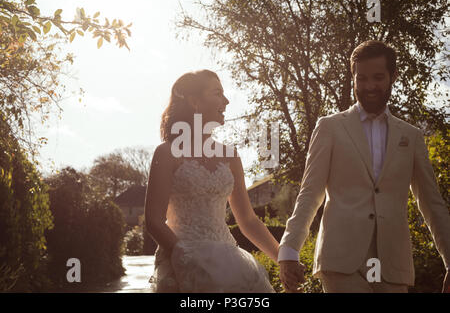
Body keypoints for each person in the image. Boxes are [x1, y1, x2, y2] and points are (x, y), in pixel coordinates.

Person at [278, 40, 450, 293]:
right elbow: (310, 192)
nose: (369, 86)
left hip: (393, 265)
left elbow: (431, 203)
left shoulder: (411, 136)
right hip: (340, 262)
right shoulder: (330, 127)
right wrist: (289, 249)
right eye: (362, 78)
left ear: (393, 76)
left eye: (378, 77)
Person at [145, 69, 279, 292]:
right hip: (181, 264)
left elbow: (247, 219)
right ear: (194, 101)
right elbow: (153, 221)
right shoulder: (167, 153)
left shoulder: (230, 156)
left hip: (229, 264)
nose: (226, 101)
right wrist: (185, 258)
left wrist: (284, 259)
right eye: (217, 93)